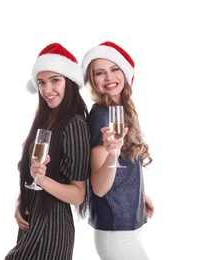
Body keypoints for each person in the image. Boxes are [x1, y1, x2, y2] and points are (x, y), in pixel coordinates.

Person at [4, 43, 90, 260]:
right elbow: (31, 172)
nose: (47, 89)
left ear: (69, 82)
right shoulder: (44, 119)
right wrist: (20, 202)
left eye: (55, 80)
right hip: (30, 225)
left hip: (51, 230)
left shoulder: (74, 124)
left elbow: (79, 194)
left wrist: (42, 182)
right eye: (41, 82)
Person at [81, 41, 155, 260]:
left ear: (124, 72)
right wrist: (112, 153)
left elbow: (121, 169)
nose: (109, 78)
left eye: (114, 69)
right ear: (92, 80)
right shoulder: (102, 116)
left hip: (127, 228)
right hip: (115, 232)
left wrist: (138, 194)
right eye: (100, 73)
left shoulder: (120, 111)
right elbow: (99, 187)